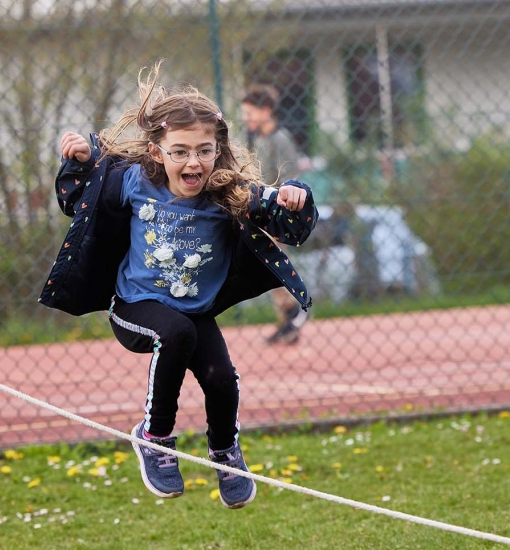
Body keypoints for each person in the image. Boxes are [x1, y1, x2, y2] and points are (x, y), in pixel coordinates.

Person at [38, 62, 317, 509]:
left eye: (204, 151)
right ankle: (154, 437)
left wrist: (295, 195)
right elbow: (77, 199)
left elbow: (288, 220)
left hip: (194, 311)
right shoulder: (131, 181)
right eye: (180, 151)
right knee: (176, 333)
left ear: (218, 150)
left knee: (222, 378)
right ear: (156, 151)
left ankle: (225, 452)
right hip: (136, 308)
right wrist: (82, 157)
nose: (193, 162)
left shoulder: (229, 193)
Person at [240, 84, 310, 344]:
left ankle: (294, 311)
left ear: (266, 110)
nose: (247, 119)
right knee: (268, 261)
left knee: (271, 261)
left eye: (250, 112)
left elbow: (292, 181)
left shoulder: (281, 139)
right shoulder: (259, 140)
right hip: (262, 210)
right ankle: (288, 320)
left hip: (278, 212)